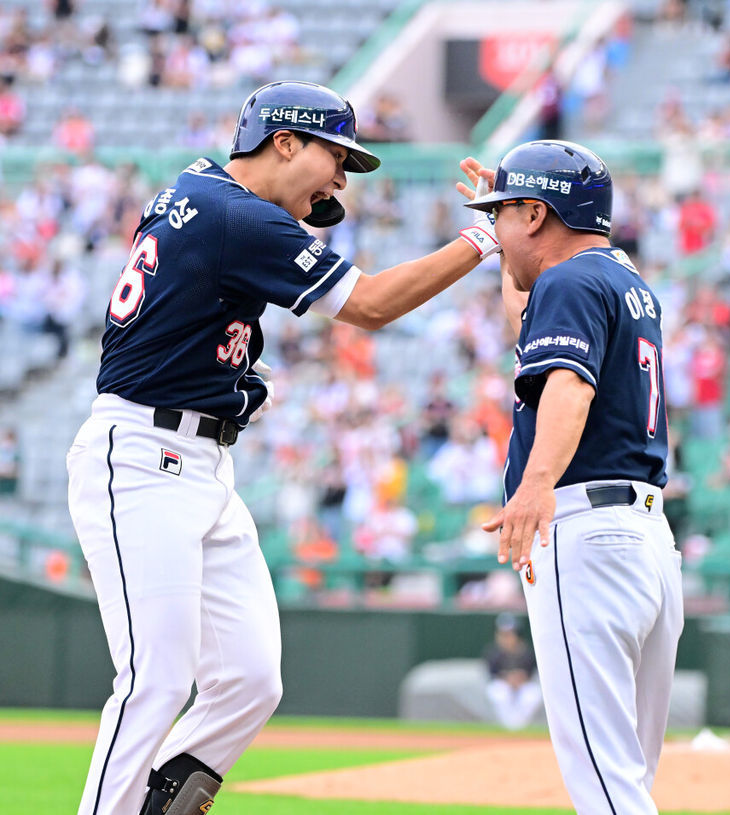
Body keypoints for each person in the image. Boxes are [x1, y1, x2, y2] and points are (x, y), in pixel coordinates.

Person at [66, 80, 499, 815]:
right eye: (337, 155)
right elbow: (369, 305)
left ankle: (151, 802)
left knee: (250, 677)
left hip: (199, 457)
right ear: (284, 141)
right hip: (141, 454)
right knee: (156, 679)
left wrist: (225, 364)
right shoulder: (238, 215)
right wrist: (482, 239)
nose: (341, 177)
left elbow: (192, 296)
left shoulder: (202, 189)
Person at [461, 140, 684, 814]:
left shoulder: (570, 281)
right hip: (645, 537)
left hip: (585, 531)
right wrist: (505, 237)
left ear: (536, 212)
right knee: (628, 779)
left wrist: (534, 484)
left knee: (606, 785)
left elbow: (567, 383)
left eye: (503, 212)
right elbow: (526, 320)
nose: (495, 225)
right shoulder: (621, 280)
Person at [482, 612, 544, 730]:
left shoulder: (526, 652)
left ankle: (519, 728)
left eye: (509, 634)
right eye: (503, 634)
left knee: (532, 694)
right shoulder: (493, 653)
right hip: (504, 686)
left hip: (523, 687)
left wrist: (520, 679)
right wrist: (508, 679)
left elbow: (532, 674)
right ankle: (509, 728)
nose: (506, 638)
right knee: (498, 692)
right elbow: (491, 675)